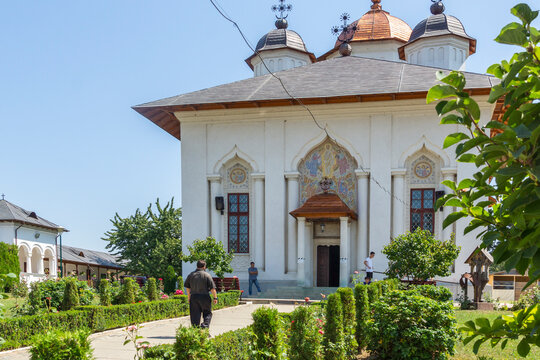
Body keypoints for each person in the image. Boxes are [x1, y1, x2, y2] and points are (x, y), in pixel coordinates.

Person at [184, 260, 218, 328]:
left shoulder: (191, 275)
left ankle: (195, 331)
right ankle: (204, 328)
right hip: (204, 296)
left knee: (194, 315)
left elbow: (187, 287)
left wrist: (189, 297)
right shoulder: (207, 275)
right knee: (207, 313)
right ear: (204, 267)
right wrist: (215, 298)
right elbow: (212, 288)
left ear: (197, 266)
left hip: (194, 297)